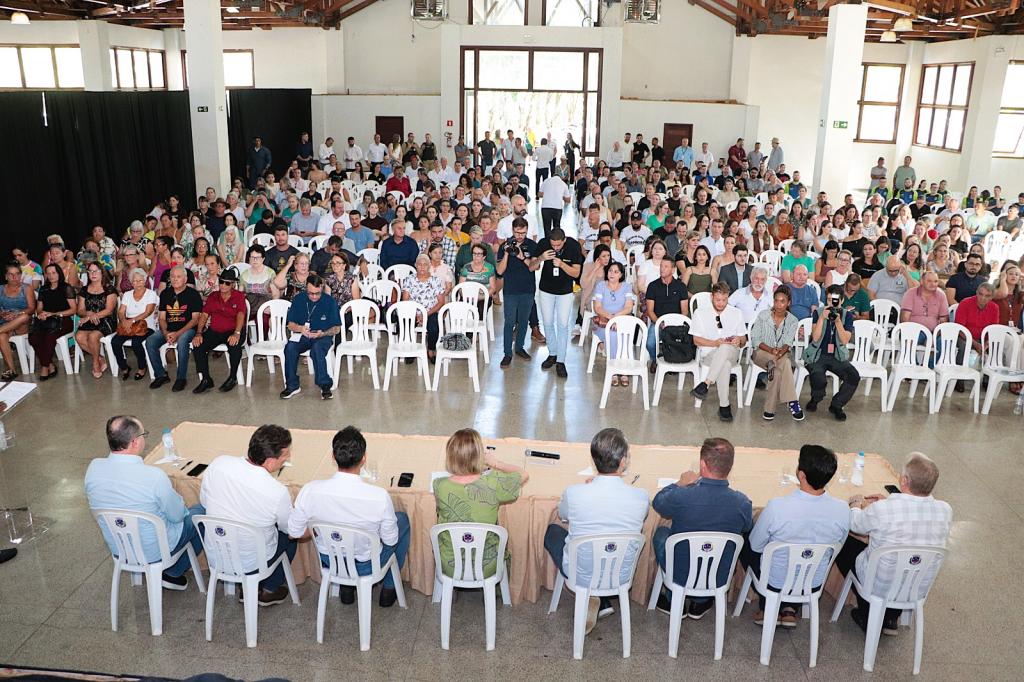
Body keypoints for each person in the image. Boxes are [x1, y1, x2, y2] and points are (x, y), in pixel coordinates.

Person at [286, 426, 409, 608]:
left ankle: (346, 588)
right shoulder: (379, 496)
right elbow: (390, 540)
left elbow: (294, 533)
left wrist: (318, 530)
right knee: (402, 520)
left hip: (331, 561)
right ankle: (389, 588)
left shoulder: (310, 490)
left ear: (333, 457)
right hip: (366, 564)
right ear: (363, 458)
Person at [544, 428, 649, 633]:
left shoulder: (574, 493)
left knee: (553, 532)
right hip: (620, 574)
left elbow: (563, 514)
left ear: (594, 460)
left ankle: (593, 597)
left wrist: (588, 490)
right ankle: (600, 599)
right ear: (623, 462)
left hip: (581, 574)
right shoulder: (641, 496)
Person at [836, 452, 952, 635]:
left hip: (878, 586)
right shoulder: (945, 510)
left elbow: (855, 525)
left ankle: (868, 612)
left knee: (844, 543)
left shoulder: (883, 509)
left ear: (904, 480)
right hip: (916, 587)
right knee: (904, 556)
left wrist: (855, 505)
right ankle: (891, 616)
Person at [85, 416, 204, 590]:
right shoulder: (154, 476)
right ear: (134, 442)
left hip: (120, 548)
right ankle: (174, 571)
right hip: (157, 550)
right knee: (201, 513)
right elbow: (178, 515)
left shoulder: (93, 469)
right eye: (143, 435)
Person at [739, 444, 849, 625]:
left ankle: (769, 607)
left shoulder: (777, 506)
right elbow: (836, 548)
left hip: (775, 582)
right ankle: (790, 608)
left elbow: (756, 546)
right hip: (812, 582)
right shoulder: (843, 509)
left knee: (746, 540)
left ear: (801, 475)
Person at [651, 438, 753, 618]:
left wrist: (680, 483)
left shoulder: (682, 495)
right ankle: (701, 602)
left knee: (661, 534)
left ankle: (674, 598)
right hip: (718, 575)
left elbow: (658, 503)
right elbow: (747, 527)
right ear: (730, 467)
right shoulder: (742, 502)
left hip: (681, 572)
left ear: (702, 465)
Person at [200, 424, 296, 606]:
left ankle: (249, 587)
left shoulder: (219, 464)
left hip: (217, 552)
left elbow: (204, 503)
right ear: (270, 461)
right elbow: (289, 529)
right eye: (285, 454)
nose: (288, 457)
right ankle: (269, 589)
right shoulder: (276, 491)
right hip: (253, 561)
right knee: (290, 538)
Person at [432, 428, 528, 578]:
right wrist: (496, 463)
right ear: (479, 456)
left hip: (450, 563)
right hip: (487, 565)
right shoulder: (492, 483)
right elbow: (523, 474)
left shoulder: (439, 485)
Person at [279, 273, 341, 401]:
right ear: (306, 288)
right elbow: (290, 325)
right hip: (303, 334)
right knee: (290, 348)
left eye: (317, 293)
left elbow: (337, 328)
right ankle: (292, 385)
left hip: (322, 335)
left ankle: (324, 385)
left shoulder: (330, 301)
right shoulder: (298, 299)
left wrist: (322, 333)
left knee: (317, 349)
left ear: (321, 288)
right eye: (310, 293)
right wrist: (300, 329)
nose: (314, 296)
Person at [690, 282, 747, 422]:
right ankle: (724, 406)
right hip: (709, 354)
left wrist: (739, 340)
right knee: (725, 364)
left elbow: (744, 339)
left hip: (732, 352)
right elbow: (696, 340)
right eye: (718, 300)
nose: (721, 303)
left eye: (724, 300)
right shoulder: (700, 313)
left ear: (728, 298)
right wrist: (715, 343)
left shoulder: (736, 313)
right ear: (712, 297)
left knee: (725, 347)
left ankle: (706, 383)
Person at [805, 284, 860, 420]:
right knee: (818, 377)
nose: (832, 304)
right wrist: (822, 318)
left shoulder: (847, 316)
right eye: (829, 300)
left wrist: (838, 322)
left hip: (837, 355)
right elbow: (815, 338)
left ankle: (837, 405)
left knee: (853, 376)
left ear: (842, 301)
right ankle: (816, 398)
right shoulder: (818, 312)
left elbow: (845, 340)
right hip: (818, 354)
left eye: (835, 301)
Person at [191, 267, 247, 394]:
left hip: (233, 330)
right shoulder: (213, 296)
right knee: (198, 345)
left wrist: (237, 333)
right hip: (215, 331)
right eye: (221, 281)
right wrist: (198, 333)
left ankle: (233, 377)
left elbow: (240, 315)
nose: (223, 285)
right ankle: (206, 379)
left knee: (234, 345)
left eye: (227, 283)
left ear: (233, 284)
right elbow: (204, 315)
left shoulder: (238, 296)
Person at [750, 285, 803, 420]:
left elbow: (788, 342)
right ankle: (793, 401)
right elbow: (755, 339)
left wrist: (779, 353)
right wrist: (771, 350)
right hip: (761, 353)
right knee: (785, 363)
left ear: (788, 303)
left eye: (782, 301)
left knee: (777, 372)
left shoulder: (793, 320)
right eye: (776, 301)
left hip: (780, 355)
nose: (779, 304)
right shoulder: (763, 315)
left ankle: (769, 409)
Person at [147, 266, 203, 392]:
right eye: (172, 277)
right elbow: (162, 318)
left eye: (178, 277)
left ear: (185, 279)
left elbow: (195, 319)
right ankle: (161, 375)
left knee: (182, 342)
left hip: (188, 329)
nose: (175, 279)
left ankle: (181, 378)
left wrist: (177, 334)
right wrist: (165, 333)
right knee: (150, 341)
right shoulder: (165, 294)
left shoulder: (193, 294)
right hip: (169, 329)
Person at [536, 228, 583, 378]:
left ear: (564, 240)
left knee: (562, 325)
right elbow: (531, 266)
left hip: (565, 291)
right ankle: (552, 354)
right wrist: (541, 258)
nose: (555, 248)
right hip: (546, 289)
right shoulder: (543, 243)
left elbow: (576, 273)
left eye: (558, 245)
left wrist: (562, 265)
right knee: (547, 322)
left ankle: (561, 361)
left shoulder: (573, 246)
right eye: (553, 245)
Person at [496, 218, 539, 368]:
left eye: (523, 233)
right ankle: (507, 353)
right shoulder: (504, 246)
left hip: (527, 289)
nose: (520, 236)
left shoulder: (532, 245)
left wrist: (522, 256)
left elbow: (535, 267)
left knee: (523, 320)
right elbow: (499, 271)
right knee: (509, 322)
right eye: (517, 232)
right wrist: (507, 253)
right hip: (510, 290)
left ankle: (519, 347)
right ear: (512, 230)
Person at [28, 263, 76, 380]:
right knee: (33, 337)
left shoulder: (66, 288)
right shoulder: (43, 289)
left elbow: (73, 309)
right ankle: (49, 364)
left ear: (59, 273)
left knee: (49, 336)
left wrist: (54, 314)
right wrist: (41, 313)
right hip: (46, 320)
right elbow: (39, 307)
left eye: (54, 273)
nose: (51, 276)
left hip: (63, 320)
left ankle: (44, 367)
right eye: (48, 273)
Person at [111, 268, 158, 381]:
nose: (138, 283)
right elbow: (121, 312)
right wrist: (124, 321)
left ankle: (142, 367)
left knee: (136, 343)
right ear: (131, 282)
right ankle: (124, 367)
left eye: (140, 280)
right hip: (128, 325)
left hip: (146, 326)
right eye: (135, 281)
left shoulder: (151, 294)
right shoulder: (127, 294)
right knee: (115, 342)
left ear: (145, 280)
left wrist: (131, 321)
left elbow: (147, 312)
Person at [645, 258, 689, 372]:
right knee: (650, 343)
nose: (662, 269)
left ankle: (673, 358)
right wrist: (660, 323)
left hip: (677, 324)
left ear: (673, 270)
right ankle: (655, 360)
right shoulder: (652, 286)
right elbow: (650, 311)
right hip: (658, 322)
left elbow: (685, 310)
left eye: (666, 266)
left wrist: (677, 324)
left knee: (688, 340)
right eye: (661, 266)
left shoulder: (681, 286)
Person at [74, 262, 117, 380]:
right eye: (90, 271)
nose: (93, 274)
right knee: (79, 336)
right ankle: (99, 358)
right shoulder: (84, 289)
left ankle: (95, 363)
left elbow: (109, 310)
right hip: (89, 320)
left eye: (96, 271)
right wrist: (89, 314)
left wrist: (92, 316)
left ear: (102, 272)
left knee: (93, 337)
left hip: (106, 320)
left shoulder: (110, 289)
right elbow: (80, 310)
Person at [538, 170, 571, 237]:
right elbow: (568, 200)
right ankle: (557, 240)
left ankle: (547, 241)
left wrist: (547, 193)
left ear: (553, 176)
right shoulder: (563, 184)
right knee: (556, 228)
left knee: (547, 228)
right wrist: (561, 196)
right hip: (557, 208)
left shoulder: (546, 181)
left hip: (546, 207)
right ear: (560, 177)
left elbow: (539, 194)